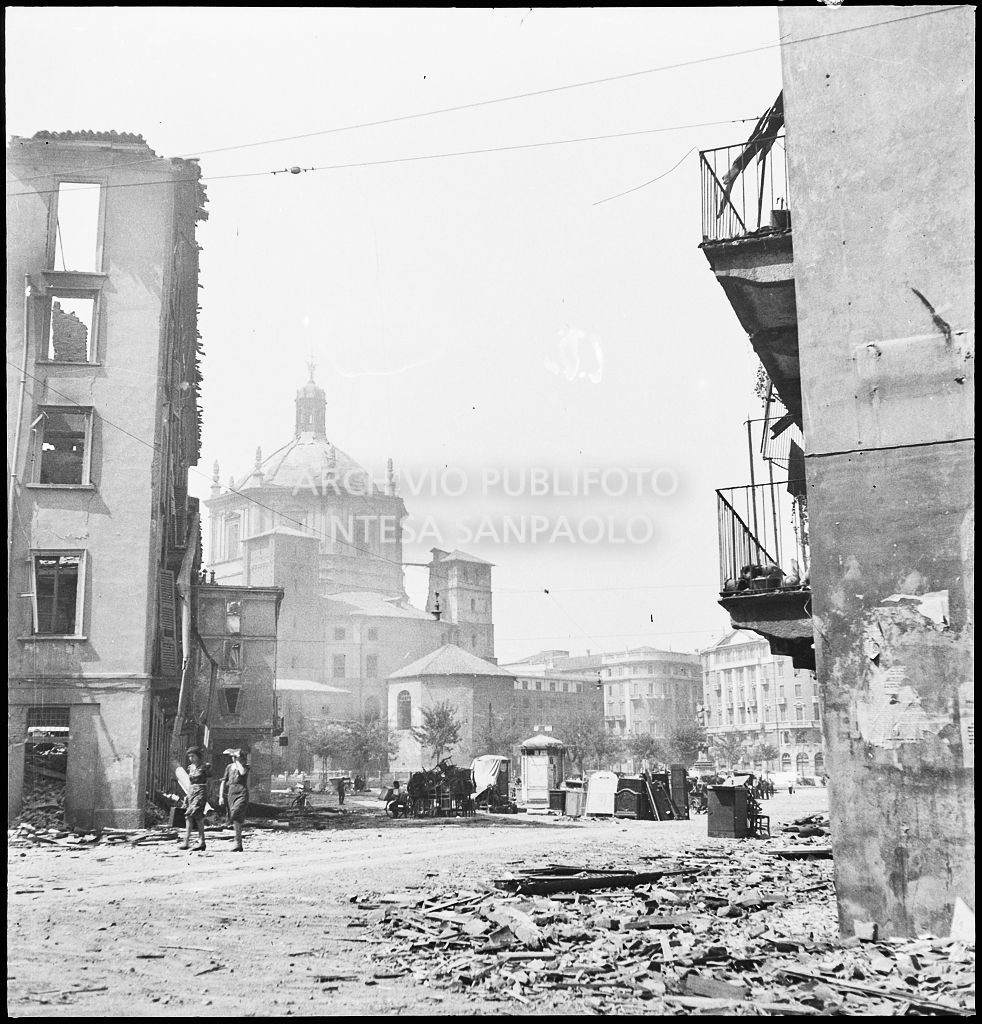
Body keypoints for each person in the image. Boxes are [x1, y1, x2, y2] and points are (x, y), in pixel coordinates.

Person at [179, 746, 210, 851]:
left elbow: (209, 781)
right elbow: (190, 782)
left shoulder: (205, 766)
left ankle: (201, 841)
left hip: (201, 791)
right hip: (191, 792)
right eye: (189, 756)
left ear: (198, 756)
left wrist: (207, 794)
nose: (191, 758)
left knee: (196, 815)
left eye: (193, 756)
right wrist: (187, 796)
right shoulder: (190, 768)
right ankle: (187, 841)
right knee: (189, 816)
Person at [219, 748, 250, 852]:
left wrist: (238, 763)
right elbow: (223, 781)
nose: (234, 758)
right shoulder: (229, 767)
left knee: (236, 814)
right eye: (233, 757)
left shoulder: (245, 766)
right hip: (231, 793)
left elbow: (242, 773)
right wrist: (221, 796)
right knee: (233, 816)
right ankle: (238, 842)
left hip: (241, 792)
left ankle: (238, 842)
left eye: (236, 757)